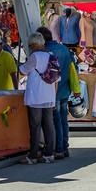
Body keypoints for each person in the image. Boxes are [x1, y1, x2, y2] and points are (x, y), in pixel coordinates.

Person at [39, 26, 75, 160]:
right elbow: (73, 68)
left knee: (56, 121)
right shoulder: (64, 49)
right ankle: (64, 146)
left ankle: (59, 148)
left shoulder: (47, 52)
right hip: (65, 89)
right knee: (63, 120)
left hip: (53, 91)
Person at [21, 34, 58, 163]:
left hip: (36, 96)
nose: (30, 48)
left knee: (35, 126)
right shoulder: (52, 55)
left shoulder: (35, 56)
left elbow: (23, 71)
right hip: (49, 95)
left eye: (30, 46)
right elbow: (56, 79)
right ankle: (49, 154)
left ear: (35, 45)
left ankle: (33, 156)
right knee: (49, 125)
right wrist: (53, 97)